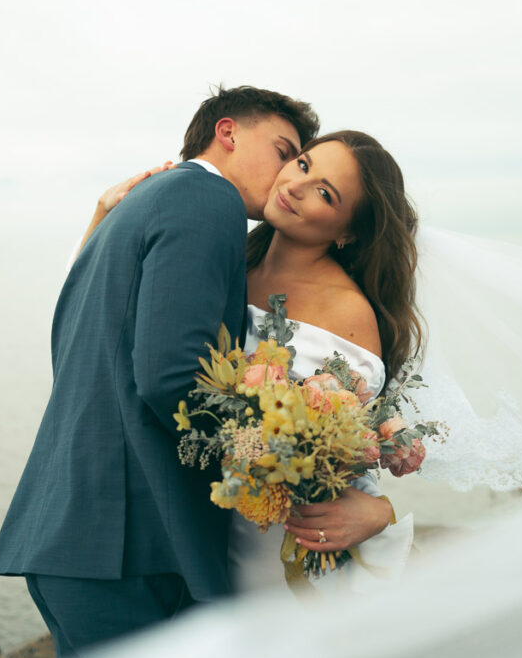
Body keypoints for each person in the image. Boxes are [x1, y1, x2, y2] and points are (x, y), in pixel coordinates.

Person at [0, 85, 320, 658]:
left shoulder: (142, 205)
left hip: (84, 535)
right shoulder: (204, 199)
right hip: (131, 541)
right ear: (228, 132)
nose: (287, 175)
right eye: (283, 150)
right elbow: (172, 376)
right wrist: (270, 460)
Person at [85, 130, 422, 594]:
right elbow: (104, 322)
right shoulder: (228, 263)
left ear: (347, 232)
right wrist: (102, 218)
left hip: (278, 542)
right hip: (194, 523)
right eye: (302, 164)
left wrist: (379, 513)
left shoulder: (347, 313)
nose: (296, 186)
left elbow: (340, 446)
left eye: (325, 193)